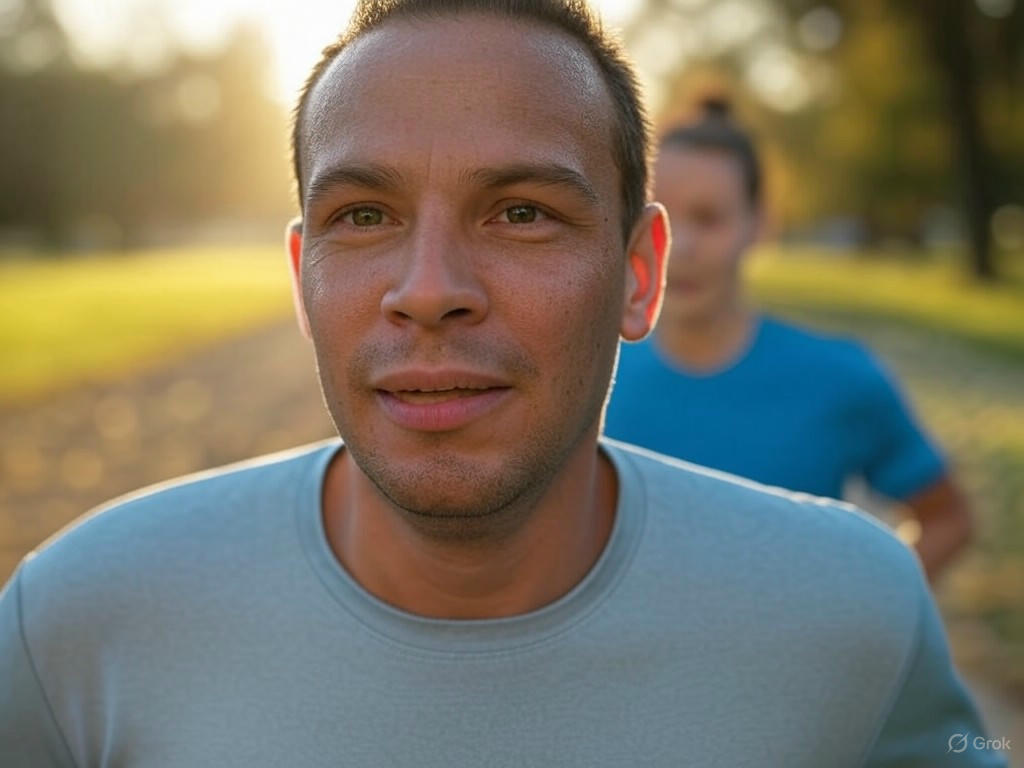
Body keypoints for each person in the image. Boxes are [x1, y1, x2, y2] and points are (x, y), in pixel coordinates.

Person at [0, 1, 1005, 765]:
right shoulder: (73, 623)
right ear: (302, 282)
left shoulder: (854, 613)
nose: (428, 291)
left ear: (638, 273)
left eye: (520, 212)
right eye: (364, 216)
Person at [604, 99, 974, 581]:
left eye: (708, 217)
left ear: (759, 224)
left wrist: (864, 622)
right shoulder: (591, 380)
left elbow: (949, 520)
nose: (683, 245)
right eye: (664, 217)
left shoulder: (839, 378)